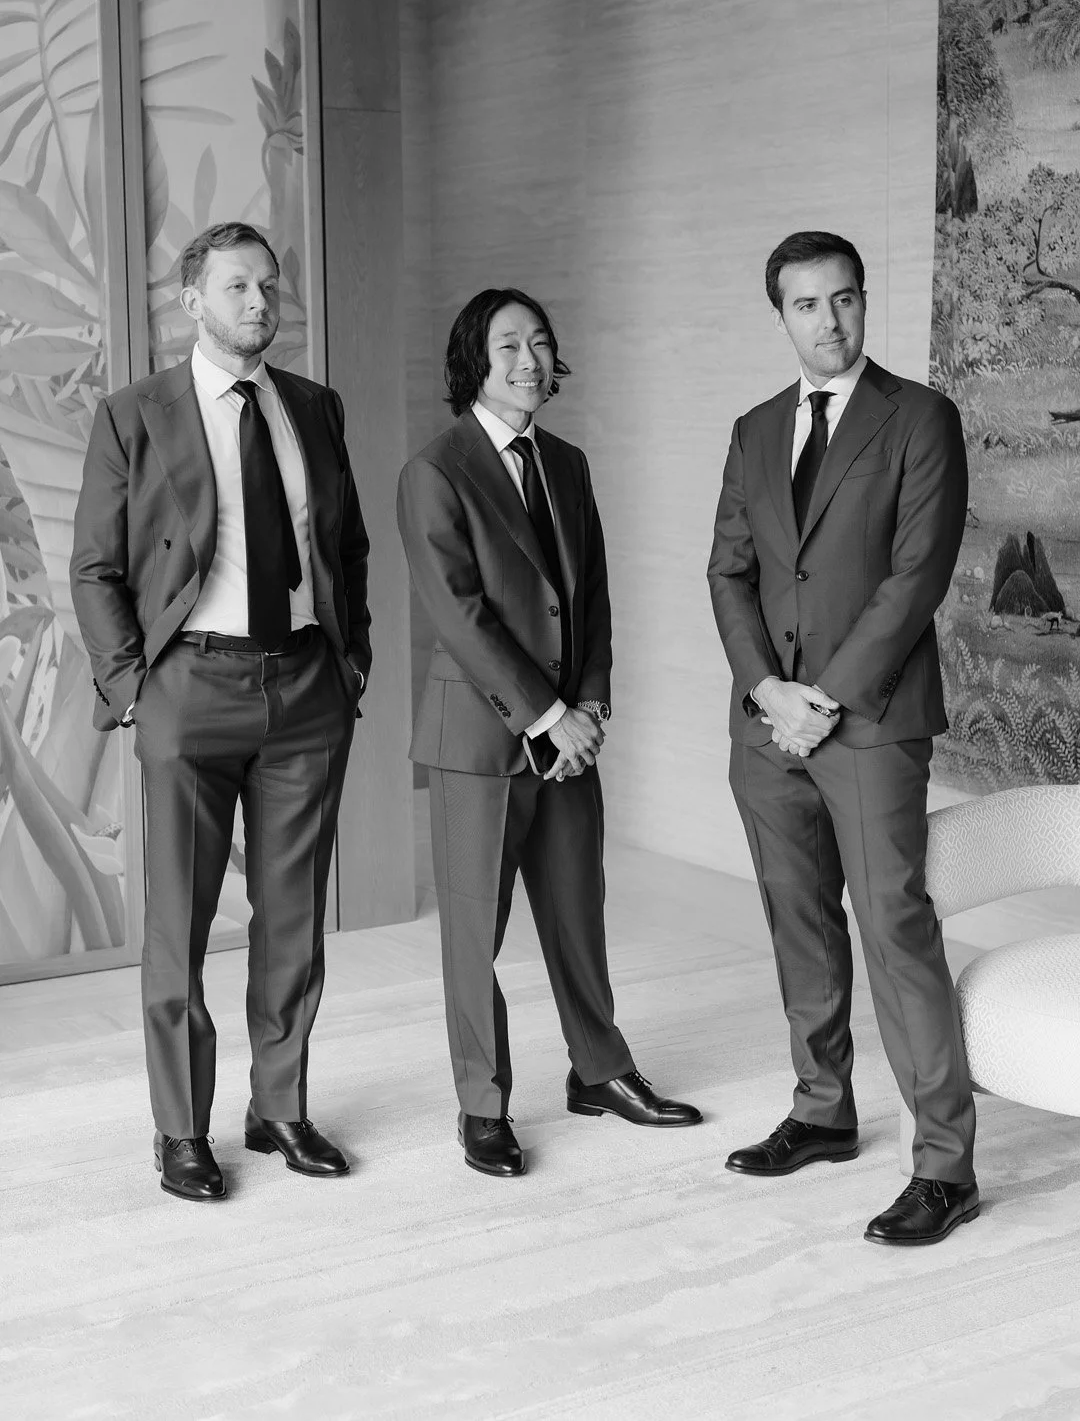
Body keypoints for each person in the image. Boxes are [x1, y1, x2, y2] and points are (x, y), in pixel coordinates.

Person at [70, 221, 371, 1202]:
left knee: (294, 922)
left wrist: (349, 665)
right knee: (179, 925)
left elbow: (348, 548)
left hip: (302, 688)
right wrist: (131, 695)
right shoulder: (135, 414)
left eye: (269, 285)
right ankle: (181, 1129)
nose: (260, 301)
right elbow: (96, 568)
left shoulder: (314, 409)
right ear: (192, 301)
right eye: (239, 286)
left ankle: (279, 1107)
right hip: (188, 691)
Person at [707, 230, 978, 1246]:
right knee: (799, 922)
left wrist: (824, 698)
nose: (832, 320)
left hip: (868, 725)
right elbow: (727, 570)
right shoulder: (754, 428)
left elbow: (918, 576)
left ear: (867, 303)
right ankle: (822, 1110)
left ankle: (945, 1164)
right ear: (781, 315)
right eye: (809, 305)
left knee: (894, 926)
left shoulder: (920, 419)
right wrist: (766, 689)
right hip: (766, 726)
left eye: (847, 300)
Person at [397, 288, 701, 1177]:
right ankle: (482, 1104)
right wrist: (547, 715)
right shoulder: (437, 468)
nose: (528, 360)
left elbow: (593, 592)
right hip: (484, 742)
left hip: (573, 735)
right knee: (473, 934)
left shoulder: (566, 461)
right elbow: (459, 615)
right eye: (508, 345)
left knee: (578, 913)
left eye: (539, 342)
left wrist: (593, 702)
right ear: (473, 362)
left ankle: (600, 1072)